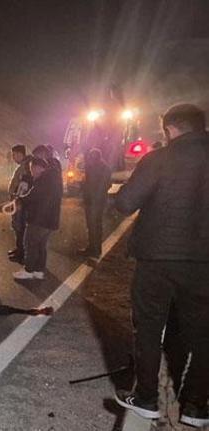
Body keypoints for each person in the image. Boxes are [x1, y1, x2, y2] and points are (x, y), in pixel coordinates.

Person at [113, 104, 209, 427]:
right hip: (205, 264)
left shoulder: (159, 159)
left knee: (149, 328)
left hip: (157, 259)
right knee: (204, 334)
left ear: (169, 129)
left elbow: (126, 203)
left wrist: (124, 188)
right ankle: (197, 406)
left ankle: (146, 399)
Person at [13, 157, 62, 280]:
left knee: (30, 243)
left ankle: (28, 270)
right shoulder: (54, 178)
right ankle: (39, 270)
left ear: (38, 167)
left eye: (32, 169)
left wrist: (20, 199)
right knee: (41, 246)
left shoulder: (43, 180)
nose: (31, 172)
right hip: (50, 220)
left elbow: (33, 197)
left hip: (39, 219)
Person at [79, 148, 111, 258]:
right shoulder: (103, 167)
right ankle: (94, 248)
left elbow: (92, 184)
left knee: (93, 225)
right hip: (97, 200)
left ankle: (94, 249)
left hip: (94, 202)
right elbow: (107, 184)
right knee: (95, 225)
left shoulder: (96, 168)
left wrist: (86, 188)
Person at [7, 145, 32, 263]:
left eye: (14, 155)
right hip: (18, 201)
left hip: (20, 203)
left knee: (20, 227)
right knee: (17, 227)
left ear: (20, 154)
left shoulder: (26, 167)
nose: (13, 158)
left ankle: (21, 252)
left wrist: (17, 199)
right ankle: (19, 249)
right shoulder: (23, 166)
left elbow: (23, 187)